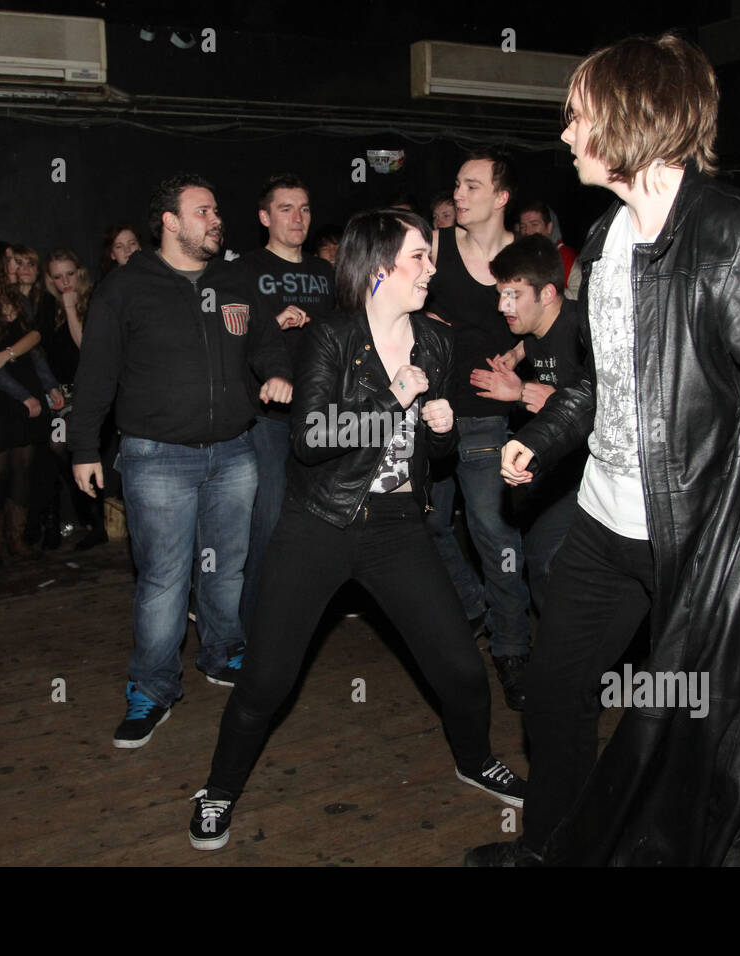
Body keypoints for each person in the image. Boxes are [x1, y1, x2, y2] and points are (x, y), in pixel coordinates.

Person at [467, 32, 740, 867]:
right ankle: (553, 848)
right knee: (553, 692)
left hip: (706, 541)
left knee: (704, 742)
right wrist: (540, 439)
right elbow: (599, 380)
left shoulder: (736, 239)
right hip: (603, 527)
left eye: (577, 117)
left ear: (627, 119)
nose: (567, 136)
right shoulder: (608, 240)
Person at [188, 209, 525, 851]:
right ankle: (219, 789)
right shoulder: (331, 337)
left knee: (461, 670)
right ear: (379, 266)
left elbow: (434, 456)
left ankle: (474, 758)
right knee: (266, 680)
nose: (432, 267)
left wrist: (443, 430)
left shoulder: (436, 341)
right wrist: (389, 399)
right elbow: (312, 439)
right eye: (420, 256)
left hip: (398, 526)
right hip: (319, 524)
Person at [70, 173, 293, 750]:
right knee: (165, 581)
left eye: (216, 210)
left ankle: (221, 653)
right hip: (156, 458)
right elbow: (95, 373)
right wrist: (83, 449)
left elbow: (266, 340)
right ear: (170, 222)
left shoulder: (235, 277)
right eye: (203, 211)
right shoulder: (126, 287)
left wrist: (276, 371)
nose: (216, 219)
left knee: (227, 569)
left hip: (235, 452)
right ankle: (151, 688)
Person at [424, 148, 533, 710]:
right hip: (433, 412)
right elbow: (392, 304)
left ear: (500, 197)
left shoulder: (524, 257)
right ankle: (472, 608)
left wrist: (515, 357)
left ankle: (513, 647)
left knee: (493, 532)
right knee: (426, 524)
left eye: (470, 187)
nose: (458, 196)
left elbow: (548, 322)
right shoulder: (436, 249)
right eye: (457, 186)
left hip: (489, 417)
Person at [237, 174, 335, 638]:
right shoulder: (245, 271)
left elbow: (346, 338)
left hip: (322, 418)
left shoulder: (326, 273)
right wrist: (272, 326)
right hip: (269, 420)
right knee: (270, 522)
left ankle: (298, 621)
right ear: (264, 217)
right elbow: (232, 342)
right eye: (285, 209)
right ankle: (253, 627)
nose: (297, 218)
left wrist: (314, 322)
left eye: (304, 208)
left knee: (318, 525)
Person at [468, 236, 587, 611]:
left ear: (548, 293)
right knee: (541, 562)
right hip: (562, 473)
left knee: (554, 567)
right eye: (501, 294)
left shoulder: (582, 329)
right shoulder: (534, 335)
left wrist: (528, 394)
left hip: (592, 478)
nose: (503, 306)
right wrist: (519, 368)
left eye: (514, 295)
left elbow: (603, 401)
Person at [0, 240, 63, 566]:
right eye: (8, 261)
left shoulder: (19, 299)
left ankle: (16, 540)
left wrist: (49, 387)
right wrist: (26, 397)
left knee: (23, 469)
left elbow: (34, 349)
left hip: (25, 388)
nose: (15, 267)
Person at [36, 248, 105, 552]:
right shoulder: (46, 308)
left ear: (80, 272)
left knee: (74, 447)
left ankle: (96, 523)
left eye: (70, 274)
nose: (65, 281)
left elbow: (85, 347)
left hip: (90, 391)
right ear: (49, 279)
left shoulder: (94, 300)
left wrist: (70, 305)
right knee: (57, 448)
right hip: (59, 393)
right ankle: (86, 518)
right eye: (58, 277)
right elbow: (41, 352)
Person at [516, 199, 578, 286]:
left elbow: (578, 294)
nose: (528, 231)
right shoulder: (517, 257)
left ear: (549, 227)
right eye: (523, 226)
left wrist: (543, 292)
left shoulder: (566, 257)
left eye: (534, 224)